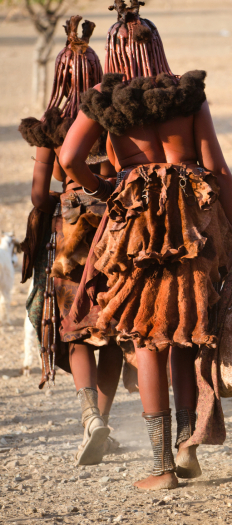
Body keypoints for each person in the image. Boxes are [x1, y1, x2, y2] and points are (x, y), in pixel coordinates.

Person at [59, 0, 232, 490]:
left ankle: (161, 467)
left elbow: (69, 157)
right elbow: (217, 169)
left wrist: (106, 189)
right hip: (194, 219)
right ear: (158, 47)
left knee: (147, 335)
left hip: (137, 225)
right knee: (187, 325)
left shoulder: (104, 100)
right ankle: (188, 442)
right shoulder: (188, 97)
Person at [19, 15, 124, 466]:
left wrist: (66, 198)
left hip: (68, 240)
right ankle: (102, 416)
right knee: (116, 327)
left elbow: (40, 196)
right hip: (117, 233)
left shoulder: (51, 128)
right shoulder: (116, 121)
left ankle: (89, 418)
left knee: (76, 325)